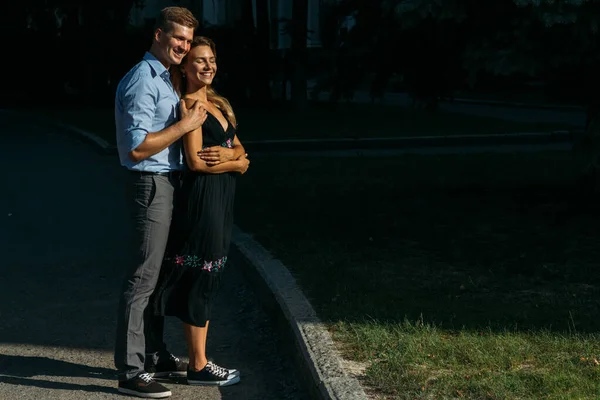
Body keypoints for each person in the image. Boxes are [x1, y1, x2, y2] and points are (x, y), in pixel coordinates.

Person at [114, 7, 206, 399]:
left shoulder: (163, 79)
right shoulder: (142, 80)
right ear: (158, 35)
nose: (184, 47)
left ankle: (152, 354)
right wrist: (184, 127)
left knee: (156, 277)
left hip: (165, 183)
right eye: (178, 39)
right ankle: (131, 371)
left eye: (188, 40)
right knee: (142, 280)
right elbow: (136, 147)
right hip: (149, 185)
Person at [153, 36, 249, 387]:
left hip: (221, 199)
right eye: (200, 61)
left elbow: (238, 147)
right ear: (185, 68)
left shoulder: (218, 103)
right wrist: (236, 165)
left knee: (210, 274)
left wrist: (233, 157)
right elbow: (195, 162)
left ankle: (181, 358)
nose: (208, 66)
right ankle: (198, 365)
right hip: (203, 198)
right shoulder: (190, 106)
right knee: (201, 277)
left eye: (211, 59)